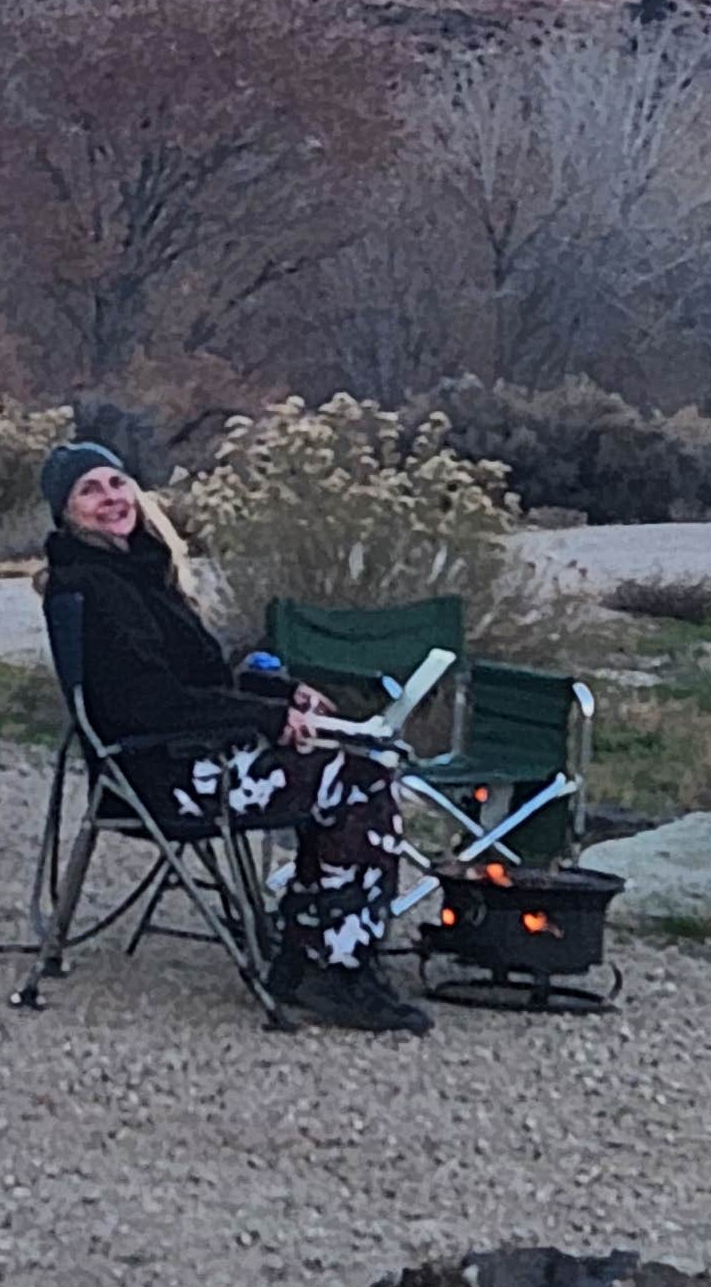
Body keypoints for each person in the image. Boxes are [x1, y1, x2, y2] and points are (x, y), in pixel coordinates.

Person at [39, 440, 431, 1036]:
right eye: (88, 491)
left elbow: (203, 683)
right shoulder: (95, 588)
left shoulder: (141, 572)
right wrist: (265, 721)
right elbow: (150, 704)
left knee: (353, 762)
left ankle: (310, 952)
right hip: (158, 776)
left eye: (116, 483)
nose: (110, 499)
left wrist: (281, 696)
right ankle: (340, 967)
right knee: (356, 780)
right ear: (65, 513)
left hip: (189, 757)